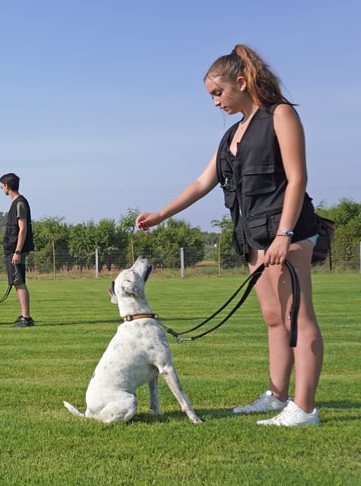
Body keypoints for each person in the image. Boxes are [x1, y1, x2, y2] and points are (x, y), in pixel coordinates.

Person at [135, 45, 323, 426]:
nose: (215, 102)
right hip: (253, 238)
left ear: (242, 82)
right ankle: (276, 396)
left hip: (286, 233)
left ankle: (304, 409)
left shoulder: (280, 115)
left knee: (297, 318)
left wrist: (285, 233)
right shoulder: (231, 135)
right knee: (274, 318)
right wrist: (160, 215)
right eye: (211, 96)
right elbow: (201, 183)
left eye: (218, 93)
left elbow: (297, 178)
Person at [0, 173, 35, 328]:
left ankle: (26, 318)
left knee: (19, 282)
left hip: (16, 251)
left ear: (7, 186)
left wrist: (17, 251)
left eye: (2, 186)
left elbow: (23, 229)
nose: (2, 188)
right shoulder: (16, 203)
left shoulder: (20, 203)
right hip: (12, 250)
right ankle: (23, 315)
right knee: (16, 282)